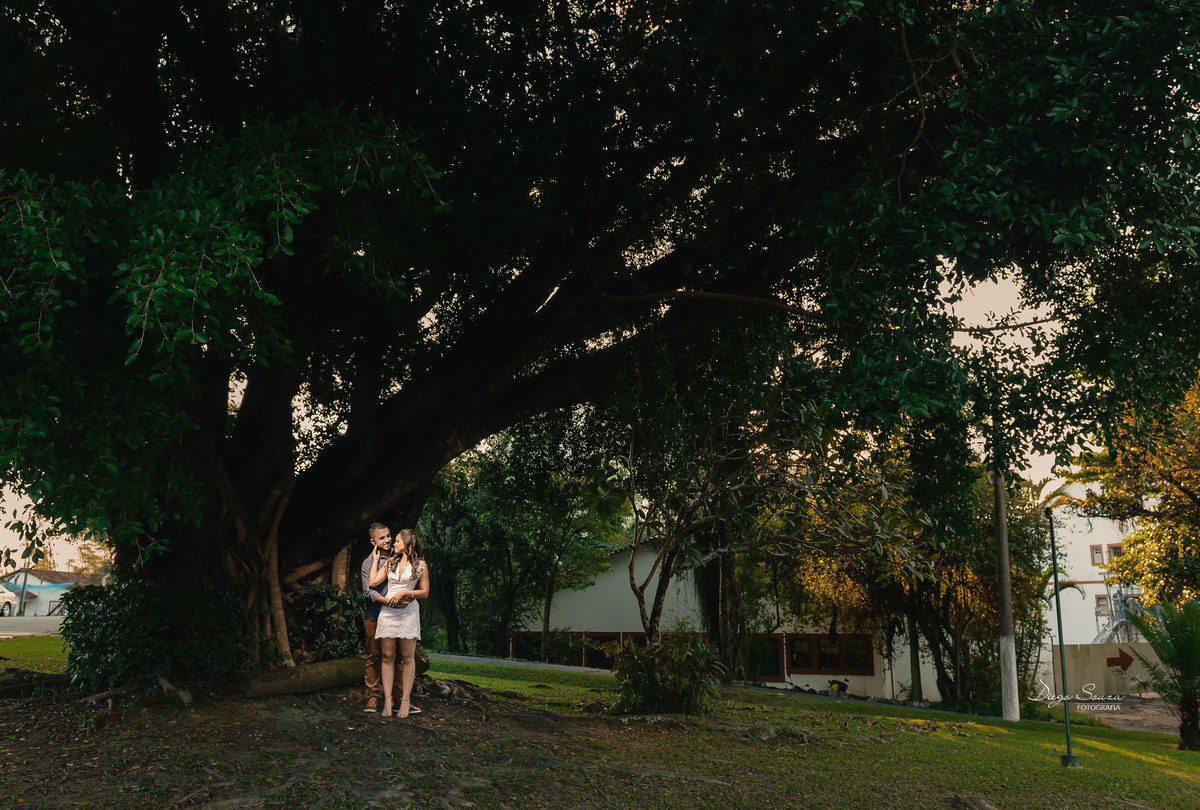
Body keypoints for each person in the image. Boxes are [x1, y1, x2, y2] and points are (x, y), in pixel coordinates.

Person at [371, 527, 430, 718]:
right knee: (387, 656)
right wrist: (374, 561)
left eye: (397, 540)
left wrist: (405, 592)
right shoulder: (389, 563)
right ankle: (387, 702)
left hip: (408, 613)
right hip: (388, 613)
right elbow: (372, 583)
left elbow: (425, 592)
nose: (393, 543)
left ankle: (405, 701)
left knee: (407, 658)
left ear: (407, 542)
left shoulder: (421, 565)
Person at [360, 523, 398, 713]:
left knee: (396, 656)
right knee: (374, 656)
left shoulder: (399, 555)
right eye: (382, 538)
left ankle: (399, 699)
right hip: (374, 615)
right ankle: (373, 697)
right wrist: (385, 601)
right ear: (373, 541)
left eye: (389, 536)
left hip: (396, 616)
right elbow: (368, 591)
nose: (387, 540)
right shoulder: (368, 563)